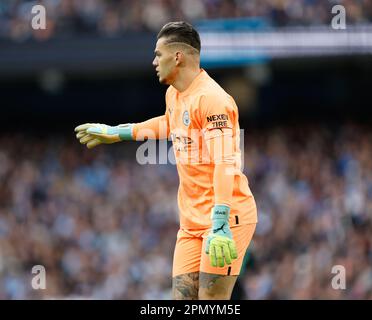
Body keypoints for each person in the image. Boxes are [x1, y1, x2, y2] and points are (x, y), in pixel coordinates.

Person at [75, 21, 257, 300]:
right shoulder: (175, 93)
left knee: (211, 303)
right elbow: (170, 123)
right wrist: (117, 132)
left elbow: (225, 162)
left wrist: (219, 223)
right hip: (191, 222)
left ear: (178, 57)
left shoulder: (213, 100)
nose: (154, 62)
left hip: (226, 218)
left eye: (158, 54)